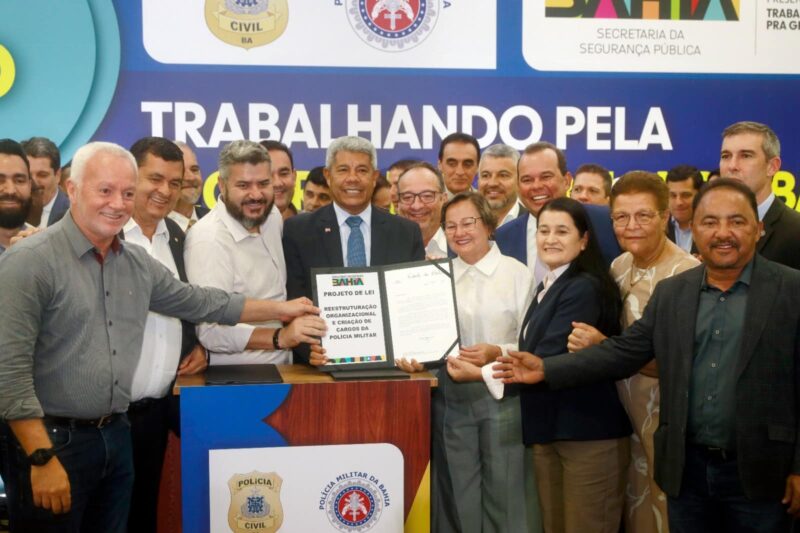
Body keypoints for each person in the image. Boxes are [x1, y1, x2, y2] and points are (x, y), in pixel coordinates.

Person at [0, 141, 326, 532]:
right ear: (72, 188)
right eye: (105, 191)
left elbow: (202, 301)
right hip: (53, 444)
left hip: (116, 436)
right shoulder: (30, 260)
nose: (118, 203)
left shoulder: (134, 261)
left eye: (127, 193)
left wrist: (281, 309)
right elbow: (8, 372)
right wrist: (40, 457)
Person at [496, 179, 800, 533]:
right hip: (686, 469)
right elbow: (623, 350)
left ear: (758, 228)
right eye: (709, 222)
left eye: (736, 221)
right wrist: (546, 369)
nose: (722, 233)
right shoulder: (674, 291)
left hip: (761, 473)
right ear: (693, 228)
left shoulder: (791, 290)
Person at [568, 171, 700, 533]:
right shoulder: (619, 266)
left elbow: (683, 363)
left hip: (667, 427)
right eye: (621, 217)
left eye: (643, 215)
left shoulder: (688, 275)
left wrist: (603, 347)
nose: (631, 226)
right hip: (623, 424)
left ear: (665, 216)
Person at [508, 197, 630, 533]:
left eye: (562, 231)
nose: (550, 239)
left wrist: (481, 371)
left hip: (587, 434)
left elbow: (547, 356)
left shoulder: (585, 287)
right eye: (544, 230)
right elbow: (532, 351)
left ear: (584, 239)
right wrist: (494, 354)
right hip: (550, 429)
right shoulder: (548, 285)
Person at [123, 137, 208, 533]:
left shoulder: (177, 235)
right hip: (103, 419)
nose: (165, 191)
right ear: (131, 176)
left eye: (174, 182)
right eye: (154, 179)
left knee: (143, 516)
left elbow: (188, 302)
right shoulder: (104, 231)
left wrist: (198, 345)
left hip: (155, 413)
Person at [282, 136, 424, 362]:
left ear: (374, 177)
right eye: (343, 170)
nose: (352, 178)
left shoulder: (406, 233)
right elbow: (293, 302)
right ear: (328, 176)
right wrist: (311, 350)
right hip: (320, 365)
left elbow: (414, 304)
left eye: (362, 170)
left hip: (392, 364)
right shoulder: (298, 231)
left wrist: (415, 354)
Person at [185, 140, 293, 366]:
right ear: (222, 185)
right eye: (243, 185)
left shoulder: (272, 215)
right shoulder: (208, 240)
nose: (256, 195)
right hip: (238, 376)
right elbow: (211, 332)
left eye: (263, 183)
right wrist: (279, 337)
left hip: (286, 369)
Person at [495, 142, 621, 285]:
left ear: (567, 181)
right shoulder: (502, 237)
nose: (536, 186)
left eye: (546, 177)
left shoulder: (605, 222)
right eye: (527, 180)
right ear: (518, 186)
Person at [719, 121, 800, 270]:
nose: (732, 166)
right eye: (726, 156)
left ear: (772, 166)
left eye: (746, 156)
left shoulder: (795, 230)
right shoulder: (709, 227)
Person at [395, 162, 448, 259]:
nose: (417, 206)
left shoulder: (462, 246)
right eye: (407, 197)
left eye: (427, 196)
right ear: (397, 203)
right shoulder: (381, 247)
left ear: (443, 199)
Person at [21, 137, 69, 228]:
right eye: (28, 175)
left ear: (57, 175)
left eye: (42, 175)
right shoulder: (10, 210)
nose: (34, 182)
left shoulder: (74, 216)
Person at [477, 144, 526, 228]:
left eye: (503, 175)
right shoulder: (464, 221)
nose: (492, 183)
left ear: (519, 180)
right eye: (486, 175)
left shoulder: (534, 223)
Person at [0, 139, 34, 255]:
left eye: (19, 180)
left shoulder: (45, 245)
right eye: (0, 180)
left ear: (30, 186)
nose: (10, 191)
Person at [168, 141, 208, 232]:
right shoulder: (153, 226)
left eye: (194, 169)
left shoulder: (216, 221)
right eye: (181, 171)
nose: (191, 178)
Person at [666, 165, 704, 254]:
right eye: (673, 195)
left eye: (686, 195)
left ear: (700, 195)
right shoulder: (658, 227)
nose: (678, 202)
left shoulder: (712, 226)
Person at [259, 140, 298, 221]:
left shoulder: (313, 225)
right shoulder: (234, 227)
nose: (277, 183)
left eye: (283, 174)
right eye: (268, 175)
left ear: (294, 177)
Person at [438, 132, 480, 198]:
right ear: (440, 165)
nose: (460, 172)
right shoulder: (426, 202)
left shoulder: (486, 202)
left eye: (467, 164)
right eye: (452, 164)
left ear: (477, 167)